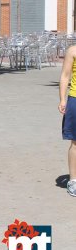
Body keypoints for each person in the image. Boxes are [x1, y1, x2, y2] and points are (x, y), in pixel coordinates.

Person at [59, 45, 76, 196]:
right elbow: (65, 76)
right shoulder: (73, 51)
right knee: (75, 142)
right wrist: (63, 99)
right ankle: (73, 180)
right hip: (75, 99)